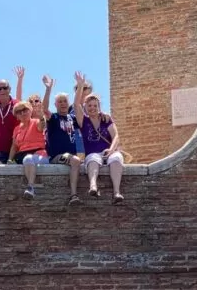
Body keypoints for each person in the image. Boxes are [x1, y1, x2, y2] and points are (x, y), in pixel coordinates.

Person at [74, 72, 124, 203]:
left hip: (108, 151)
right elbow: (76, 105)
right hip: (93, 153)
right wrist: (80, 86)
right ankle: (93, 186)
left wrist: (112, 150)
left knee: (117, 158)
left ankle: (117, 192)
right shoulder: (83, 121)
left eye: (95, 106)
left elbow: (116, 136)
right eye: (89, 106)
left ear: (99, 107)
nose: (92, 108)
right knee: (92, 159)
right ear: (86, 108)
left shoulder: (106, 119)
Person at [41, 75, 82, 205]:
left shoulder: (72, 119)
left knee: (76, 160)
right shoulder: (53, 118)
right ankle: (74, 195)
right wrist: (48, 89)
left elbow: (78, 107)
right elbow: (44, 110)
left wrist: (80, 86)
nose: (63, 104)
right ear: (56, 104)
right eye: (60, 102)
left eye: (65, 101)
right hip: (56, 156)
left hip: (70, 156)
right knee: (75, 160)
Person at [9, 101, 49, 198]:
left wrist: (41, 116)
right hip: (22, 156)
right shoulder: (16, 129)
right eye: (19, 112)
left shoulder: (36, 122)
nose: (22, 113)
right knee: (25, 159)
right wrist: (9, 160)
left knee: (28, 158)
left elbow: (42, 125)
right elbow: (14, 146)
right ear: (17, 116)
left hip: (40, 154)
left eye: (25, 110)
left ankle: (30, 187)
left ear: (30, 111)